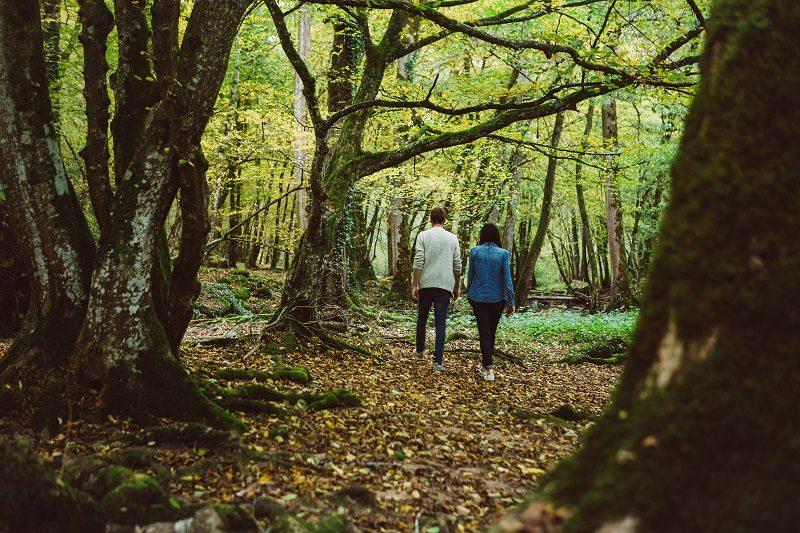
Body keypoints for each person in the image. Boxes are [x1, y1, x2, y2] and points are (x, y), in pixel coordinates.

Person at [412, 207, 462, 373]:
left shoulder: (423, 236)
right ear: (445, 220)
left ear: (430, 219)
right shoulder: (452, 238)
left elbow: (418, 261)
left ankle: (419, 352)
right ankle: (438, 362)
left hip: (426, 284)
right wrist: (456, 286)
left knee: (422, 318)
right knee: (441, 323)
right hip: (444, 285)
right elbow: (457, 265)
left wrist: (415, 284)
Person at [466, 223, 515, 381]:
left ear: (482, 235)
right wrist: (511, 301)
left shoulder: (474, 251)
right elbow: (508, 279)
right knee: (491, 332)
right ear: (497, 236)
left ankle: (488, 367)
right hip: (497, 299)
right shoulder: (503, 254)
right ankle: (488, 366)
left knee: (484, 333)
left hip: (478, 297)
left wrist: (469, 294)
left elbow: (470, 276)